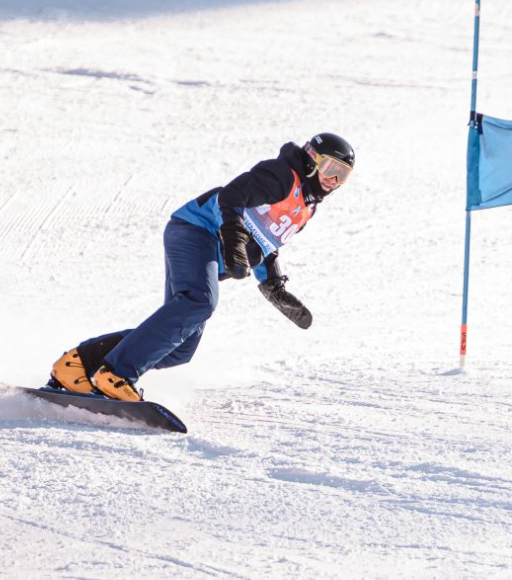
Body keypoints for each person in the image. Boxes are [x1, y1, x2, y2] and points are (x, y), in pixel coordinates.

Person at [47, 132, 356, 401]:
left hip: (205, 246)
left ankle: (77, 365)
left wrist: (274, 288)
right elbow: (232, 196)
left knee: (181, 347)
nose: (333, 180)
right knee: (200, 302)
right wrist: (233, 238)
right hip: (196, 232)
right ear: (312, 159)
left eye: (342, 175)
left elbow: (267, 245)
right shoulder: (281, 177)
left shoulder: (305, 208)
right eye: (331, 168)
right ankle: (116, 374)